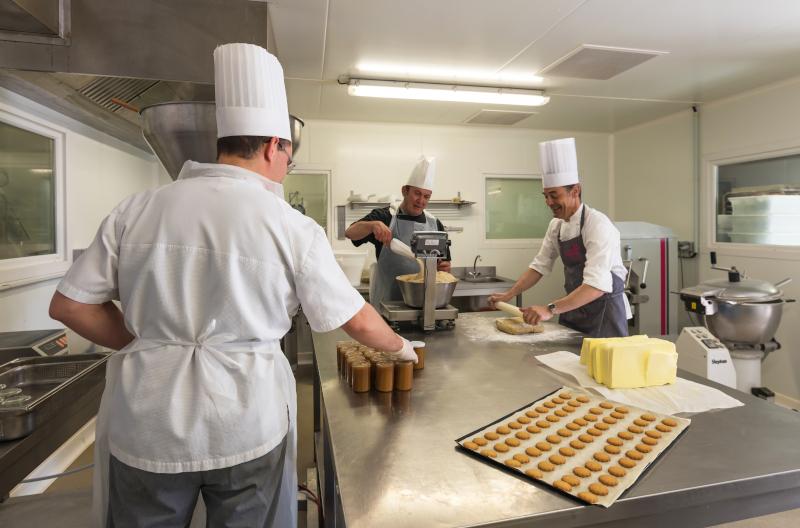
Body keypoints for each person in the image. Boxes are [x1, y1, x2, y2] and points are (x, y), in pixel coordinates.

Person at [49, 43, 416, 528]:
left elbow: (70, 306)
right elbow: (357, 321)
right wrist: (402, 348)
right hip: (244, 424)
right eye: (288, 154)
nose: (287, 166)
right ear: (272, 146)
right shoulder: (288, 224)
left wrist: (148, 343)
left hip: (149, 425)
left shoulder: (137, 209)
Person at [489, 138, 631, 338]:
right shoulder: (556, 226)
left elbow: (596, 286)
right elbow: (539, 266)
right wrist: (509, 294)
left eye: (554, 195)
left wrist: (549, 309)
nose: (548, 202)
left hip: (603, 315)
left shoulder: (597, 225)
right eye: (545, 196)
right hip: (573, 309)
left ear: (575, 191)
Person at [345, 156, 452, 309]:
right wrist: (372, 226)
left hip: (424, 305)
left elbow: (445, 264)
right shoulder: (385, 216)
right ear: (404, 191)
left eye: (426, 196)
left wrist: (445, 268)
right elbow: (350, 233)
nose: (421, 200)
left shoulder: (435, 224)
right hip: (387, 304)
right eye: (417, 193)